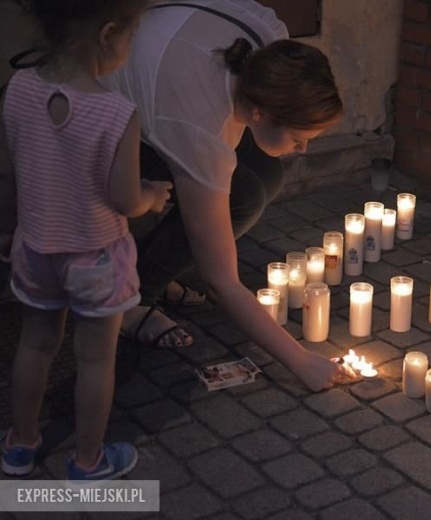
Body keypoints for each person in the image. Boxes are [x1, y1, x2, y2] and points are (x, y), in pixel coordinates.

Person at [103, 0, 350, 391]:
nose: (303, 151)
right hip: (93, 128)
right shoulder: (198, 126)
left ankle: (154, 267)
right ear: (259, 113)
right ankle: (131, 304)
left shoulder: (267, 45)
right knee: (242, 197)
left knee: (266, 172)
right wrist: (301, 362)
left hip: (159, 89)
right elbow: (221, 281)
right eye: (298, 139)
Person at [0, 0, 172, 481]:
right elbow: (123, 199)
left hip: (34, 249)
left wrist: (7, 229)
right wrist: (153, 196)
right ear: (107, 34)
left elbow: (8, 176)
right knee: (96, 358)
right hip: (95, 258)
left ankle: (19, 445)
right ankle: (88, 460)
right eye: (131, 35)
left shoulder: (16, 91)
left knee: (35, 346)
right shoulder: (116, 113)